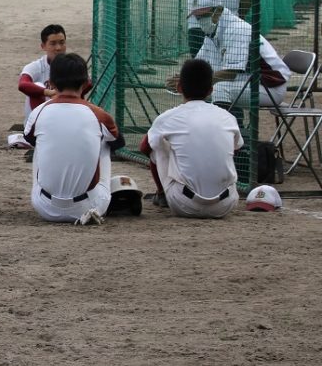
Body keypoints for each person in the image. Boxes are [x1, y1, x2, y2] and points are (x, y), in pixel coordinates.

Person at [24, 53, 124, 224]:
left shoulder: (39, 111)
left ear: (52, 83)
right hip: (90, 206)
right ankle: (95, 197)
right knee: (105, 143)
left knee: (40, 144)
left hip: (45, 208)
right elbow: (118, 142)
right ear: (85, 84)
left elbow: (30, 139)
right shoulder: (98, 114)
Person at [141, 59, 241, 218]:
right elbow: (236, 148)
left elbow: (145, 147)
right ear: (210, 90)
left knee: (157, 147)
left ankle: (161, 194)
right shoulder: (228, 117)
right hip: (225, 205)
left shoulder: (168, 117)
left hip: (183, 204)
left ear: (179, 87)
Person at [178, 0, 289, 114]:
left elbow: (230, 73)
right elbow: (198, 64)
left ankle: (223, 130)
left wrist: (193, 82)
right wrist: (184, 79)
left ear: (219, 11)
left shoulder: (237, 29)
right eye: (197, 17)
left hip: (270, 87)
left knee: (219, 88)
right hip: (247, 82)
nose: (200, 20)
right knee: (193, 92)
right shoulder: (212, 32)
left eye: (204, 15)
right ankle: (205, 128)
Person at [18, 24, 68, 119]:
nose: (58, 48)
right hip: (39, 117)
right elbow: (22, 84)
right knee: (37, 86)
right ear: (43, 46)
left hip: (65, 115)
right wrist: (49, 93)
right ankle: (36, 127)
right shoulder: (37, 66)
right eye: (53, 44)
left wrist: (62, 95)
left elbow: (87, 83)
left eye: (62, 43)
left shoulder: (72, 64)